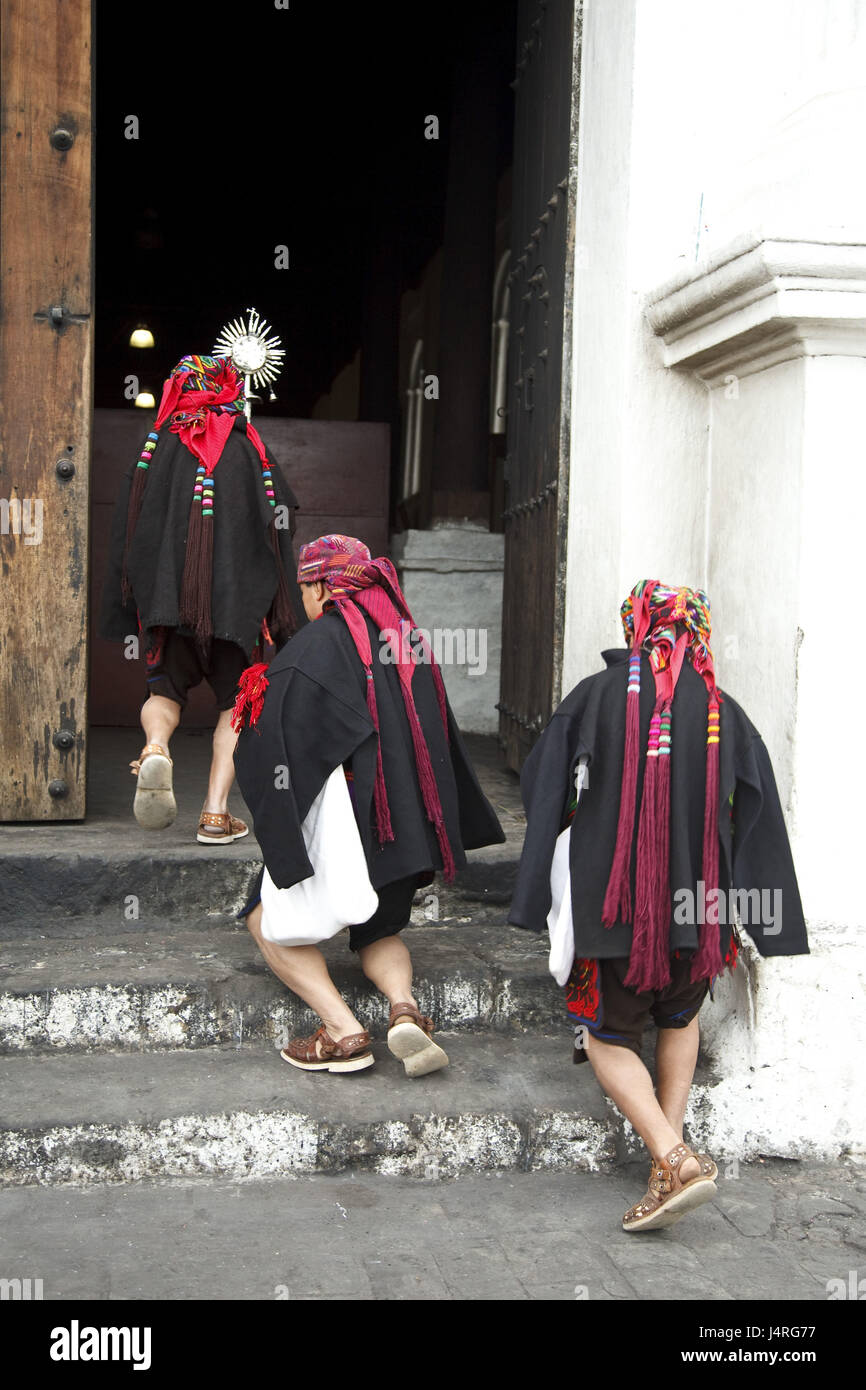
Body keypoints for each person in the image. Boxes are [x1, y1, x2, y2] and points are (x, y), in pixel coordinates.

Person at [509, 581, 808, 1231]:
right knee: (679, 1019)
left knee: (607, 1035)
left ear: (635, 630)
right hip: (700, 918)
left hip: (615, 914)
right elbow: (755, 816)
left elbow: (542, 786)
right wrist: (768, 921)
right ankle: (666, 1165)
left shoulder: (593, 698)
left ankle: (674, 1155)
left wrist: (550, 871)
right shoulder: (723, 711)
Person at [232, 534, 505, 1077]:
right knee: (381, 930)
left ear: (318, 588)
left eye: (305, 588)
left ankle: (343, 1030)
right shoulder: (406, 641)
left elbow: (277, 742)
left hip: (348, 825)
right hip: (401, 826)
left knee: (263, 918)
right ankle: (404, 1010)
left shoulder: (314, 647)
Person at [100, 354, 303, 842]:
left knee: (163, 692)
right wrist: (276, 603)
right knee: (235, 706)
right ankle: (215, 813)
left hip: (169, 608)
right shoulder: (248, 447)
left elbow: (130, 528)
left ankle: (154, 748)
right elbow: (279, 523)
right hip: (236, 610)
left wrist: (142, 591)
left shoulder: (157, 446)